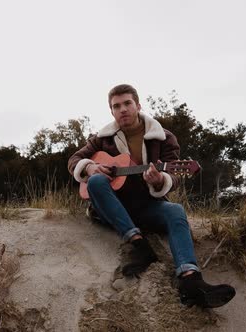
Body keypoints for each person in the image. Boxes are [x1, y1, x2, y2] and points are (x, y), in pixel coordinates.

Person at [67, 84, 235, 308]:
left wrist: (160, 180)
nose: (123, 109)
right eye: (116, 106)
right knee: (97, 181)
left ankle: (191, 281)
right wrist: (88, 168)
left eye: (127, 103)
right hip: (112, 208)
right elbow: (74, 161)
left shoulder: (163, 137)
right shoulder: (101, 140)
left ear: (138, 105)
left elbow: (174, 177)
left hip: (146, 205)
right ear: (112, 112)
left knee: (175, 210)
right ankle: (140, 247)